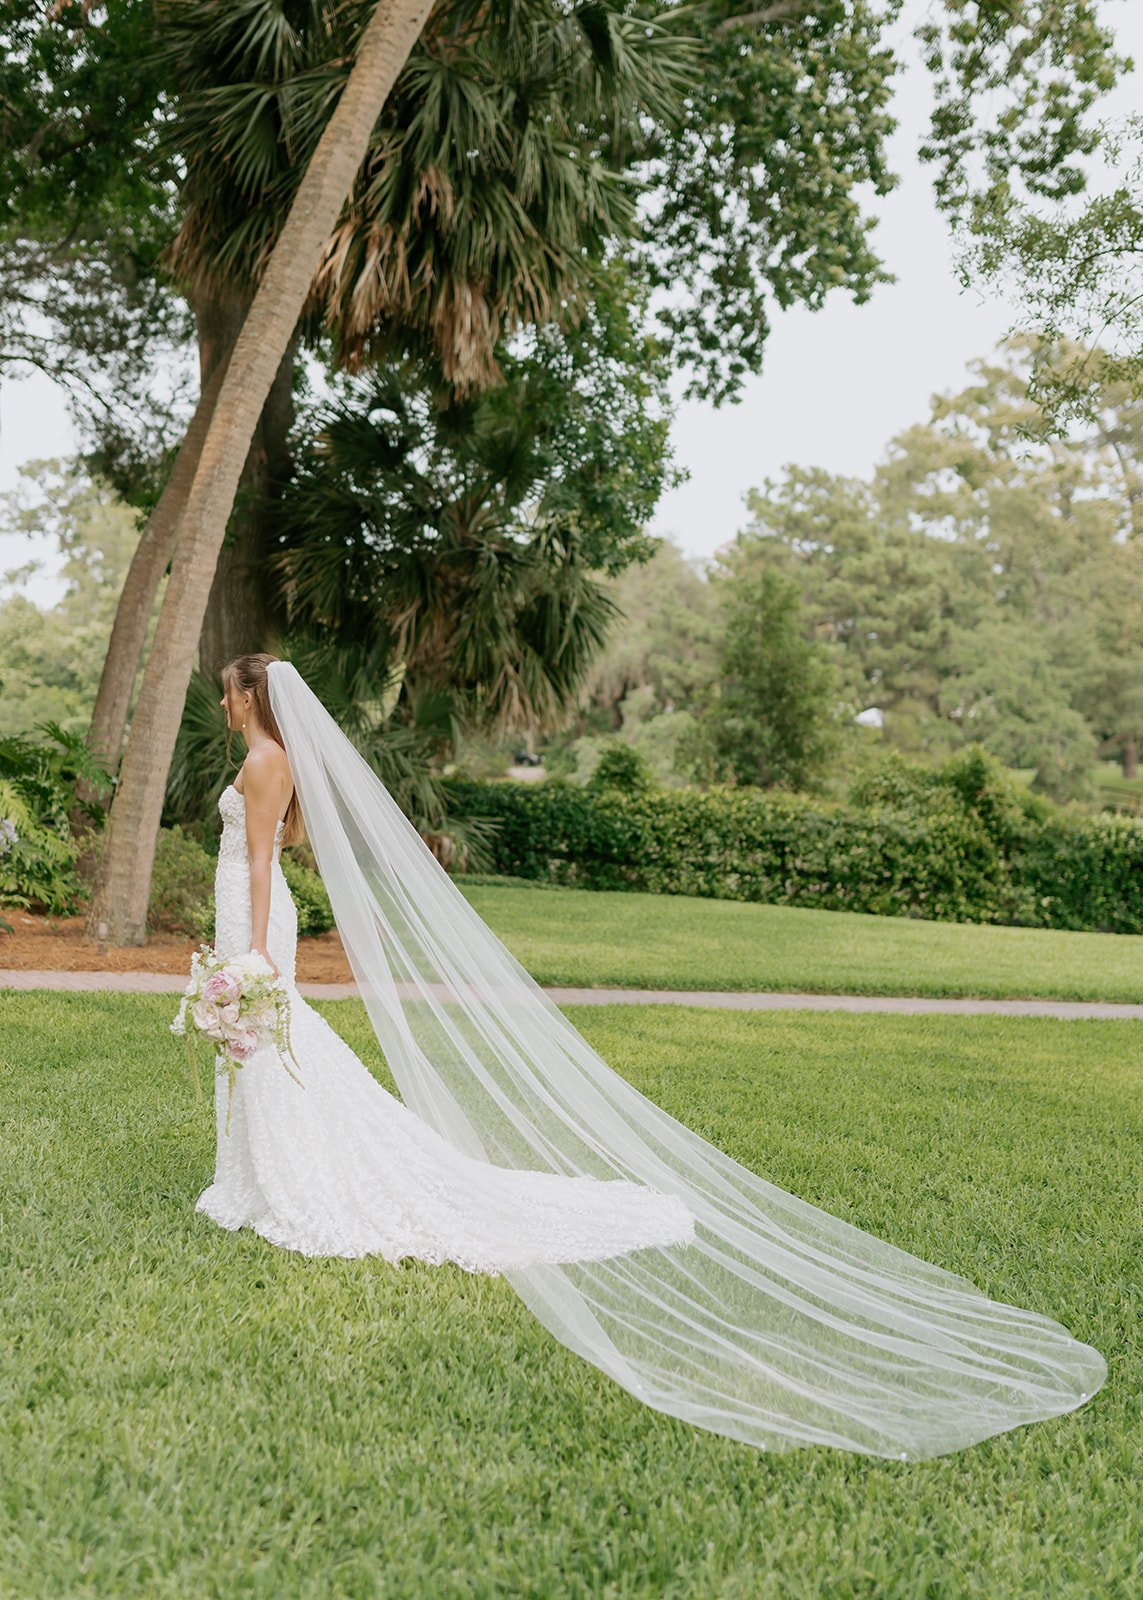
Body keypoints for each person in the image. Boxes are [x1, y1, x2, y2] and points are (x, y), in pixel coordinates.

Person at [194, 653, 1106, 1461]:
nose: (226, 707)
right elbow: (287, 839)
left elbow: (273, 853)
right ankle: (259, 1165)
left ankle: (286, 1171)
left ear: (251, 698)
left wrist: (260, 948)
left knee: (272, 1036)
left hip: (255, 912)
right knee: (266, 1042)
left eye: (230, 696)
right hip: (248, 906)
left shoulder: (266, 760)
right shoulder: (280, 759)